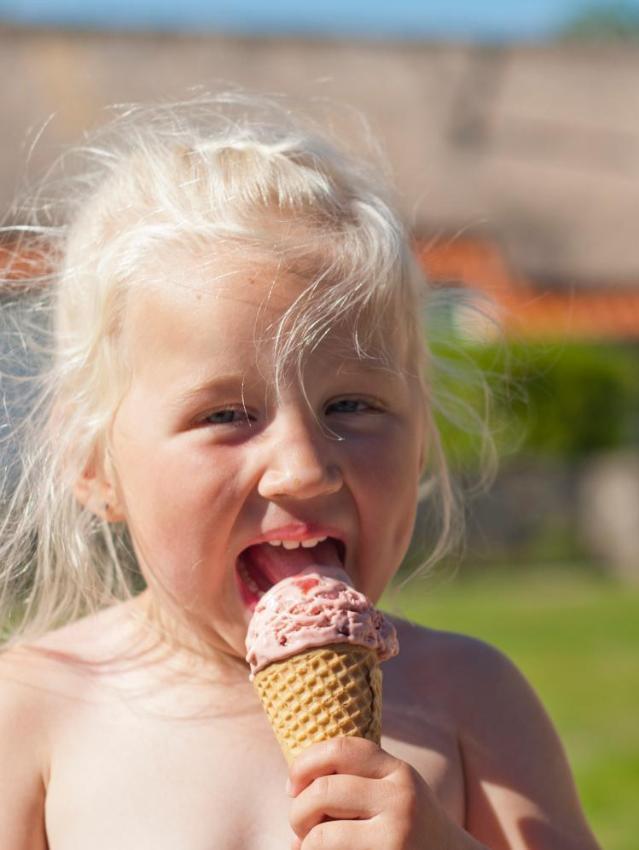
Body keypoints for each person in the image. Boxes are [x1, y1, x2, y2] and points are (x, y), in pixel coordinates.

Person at [0, 94, 601, 850]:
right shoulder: (35, 710)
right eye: (225, 415)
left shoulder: (471, 699)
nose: (304, 467)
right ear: (93, 463)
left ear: (419, 436)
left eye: (352, 403)